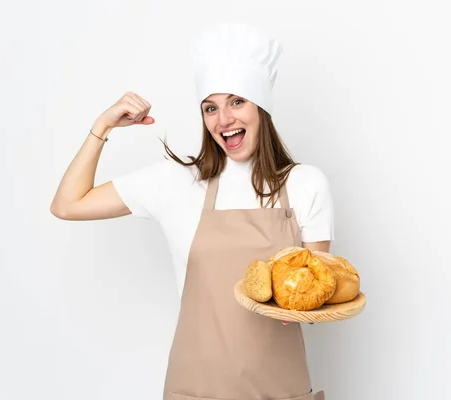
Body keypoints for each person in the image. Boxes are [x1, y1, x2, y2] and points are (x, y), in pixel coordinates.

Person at [51, 22, 333, 400]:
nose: (224, 119)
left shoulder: (305, 184)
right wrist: (102, 127)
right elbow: (68, 205)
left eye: (237, 101)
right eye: (210, 108)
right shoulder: (176, 182)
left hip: (280, 390)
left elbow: (313, 296)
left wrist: (298, 305)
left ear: (261, 107)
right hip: (196, 390)